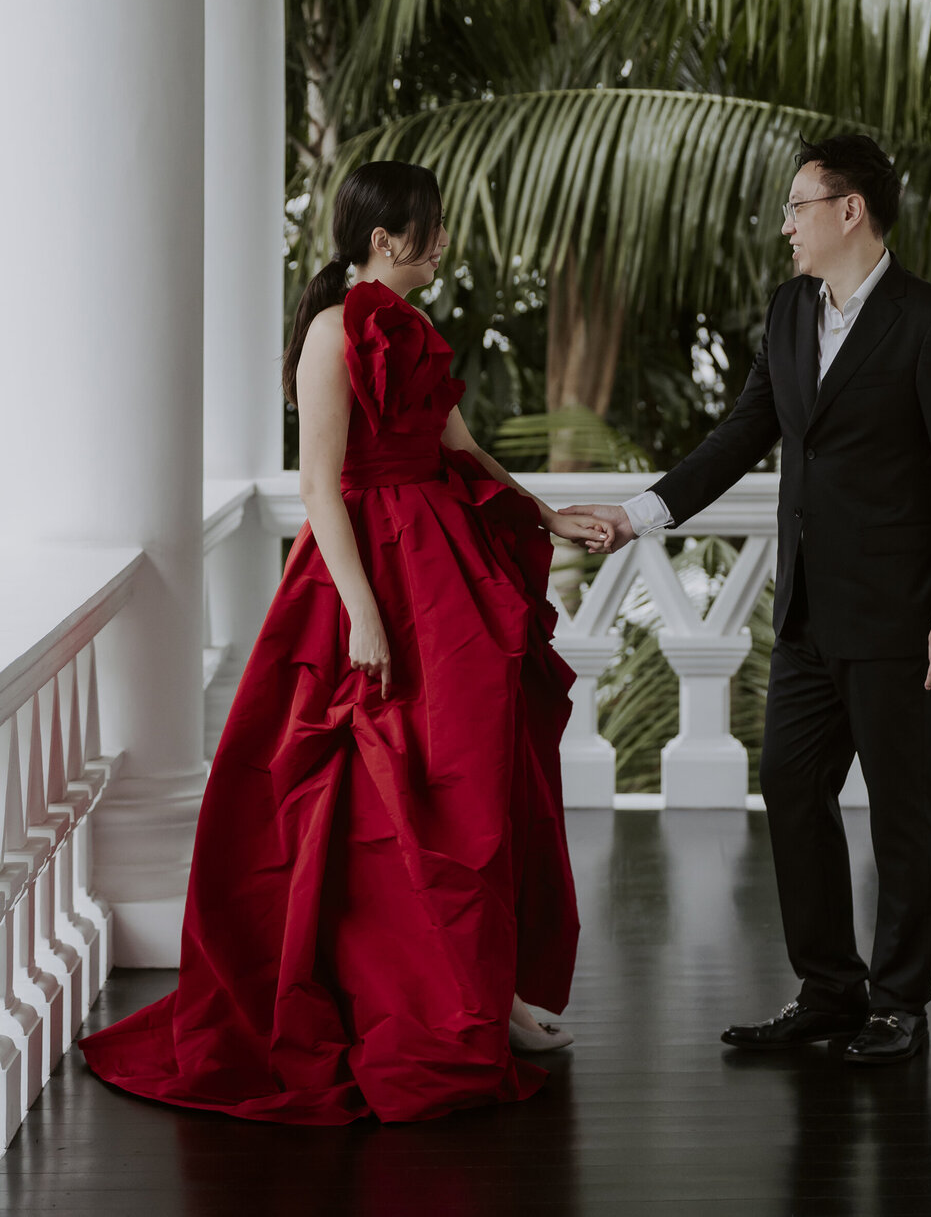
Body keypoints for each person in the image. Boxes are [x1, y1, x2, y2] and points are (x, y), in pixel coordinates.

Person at [79, 161, 612, 1122]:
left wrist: (547, 516)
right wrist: (362, 612)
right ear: (382, 238)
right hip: (367, 572)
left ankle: (487, 998)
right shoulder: (333, 331)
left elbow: (462, 450)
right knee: (362, 793)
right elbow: (323, 487)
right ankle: (401, 999)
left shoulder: (415, 328)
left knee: (475, 779)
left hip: (444, 562)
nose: (440, 241)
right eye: (427, 226)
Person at [566, 134, 931, 1065]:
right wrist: (641, 513)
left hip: (903, 618)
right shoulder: (787, 313)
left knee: (903, 810)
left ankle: (900, 1004)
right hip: (807, 612)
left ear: (851, 210)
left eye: (798, 205)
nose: (786, 224)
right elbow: (740, 434)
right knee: (790, 787)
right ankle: (828, 989)